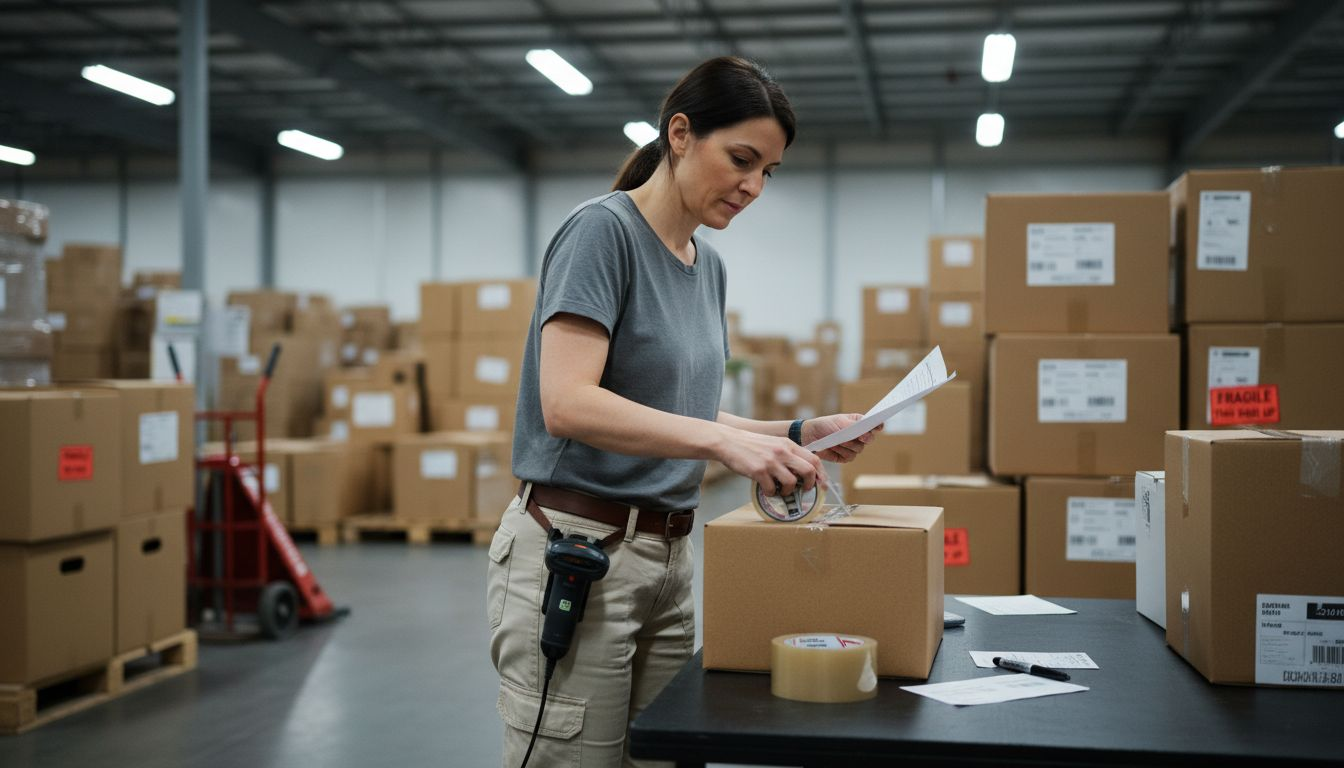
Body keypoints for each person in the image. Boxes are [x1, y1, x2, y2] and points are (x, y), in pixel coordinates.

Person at [486, 56, 880, 768]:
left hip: (668, 560)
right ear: (679, 135)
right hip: (580, 552)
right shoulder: (602, 235)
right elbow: (567, 401)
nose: (754, 186)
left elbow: (685, 411)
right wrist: (723, 450)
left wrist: (794, 433)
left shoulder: (706, 264)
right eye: (741, 159)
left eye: (769, 171)